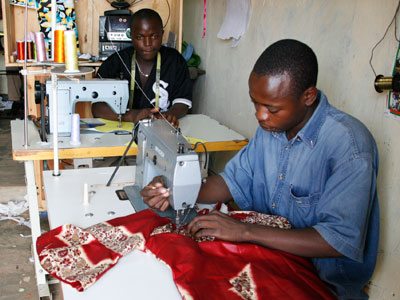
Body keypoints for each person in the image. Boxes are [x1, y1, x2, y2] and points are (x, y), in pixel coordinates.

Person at [141, 39, 379, 300]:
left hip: (323, 284)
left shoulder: (349, 145)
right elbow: (232, 181)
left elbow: (337, 239)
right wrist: (175, 189)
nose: (260, 116)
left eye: (271, 108)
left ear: (308, 96)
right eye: (256, 103)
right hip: (269, 261)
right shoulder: (271, 130)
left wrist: (244, 232)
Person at [92, 8, 192, 127]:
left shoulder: (175, 60)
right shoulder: (116, 61)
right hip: (123, 131)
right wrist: (131, 115)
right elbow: (97, 106)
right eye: (140, 37)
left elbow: (183, 102)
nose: (148, 43)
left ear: (162, 34)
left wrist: (169, 115)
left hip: (161, 128)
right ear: (131, 36)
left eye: (154, 36)